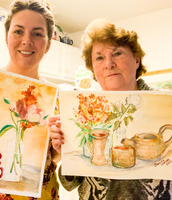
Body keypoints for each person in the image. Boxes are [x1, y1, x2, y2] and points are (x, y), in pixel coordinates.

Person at [49, 18, 172, 199]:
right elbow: (69, 183)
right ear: (93, 68)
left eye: (117, 53)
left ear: (136, 59)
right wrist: (66, 151)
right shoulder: (85, 110)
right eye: (99, 57)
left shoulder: (165, 105)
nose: (108, 64)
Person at [0, 0, 59, 199]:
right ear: (7, 37)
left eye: (37, 34)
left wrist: (59, 149)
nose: (27, 40)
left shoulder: (57, 97)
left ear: (48, 45)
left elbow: (52, 158)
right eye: (18, 31)